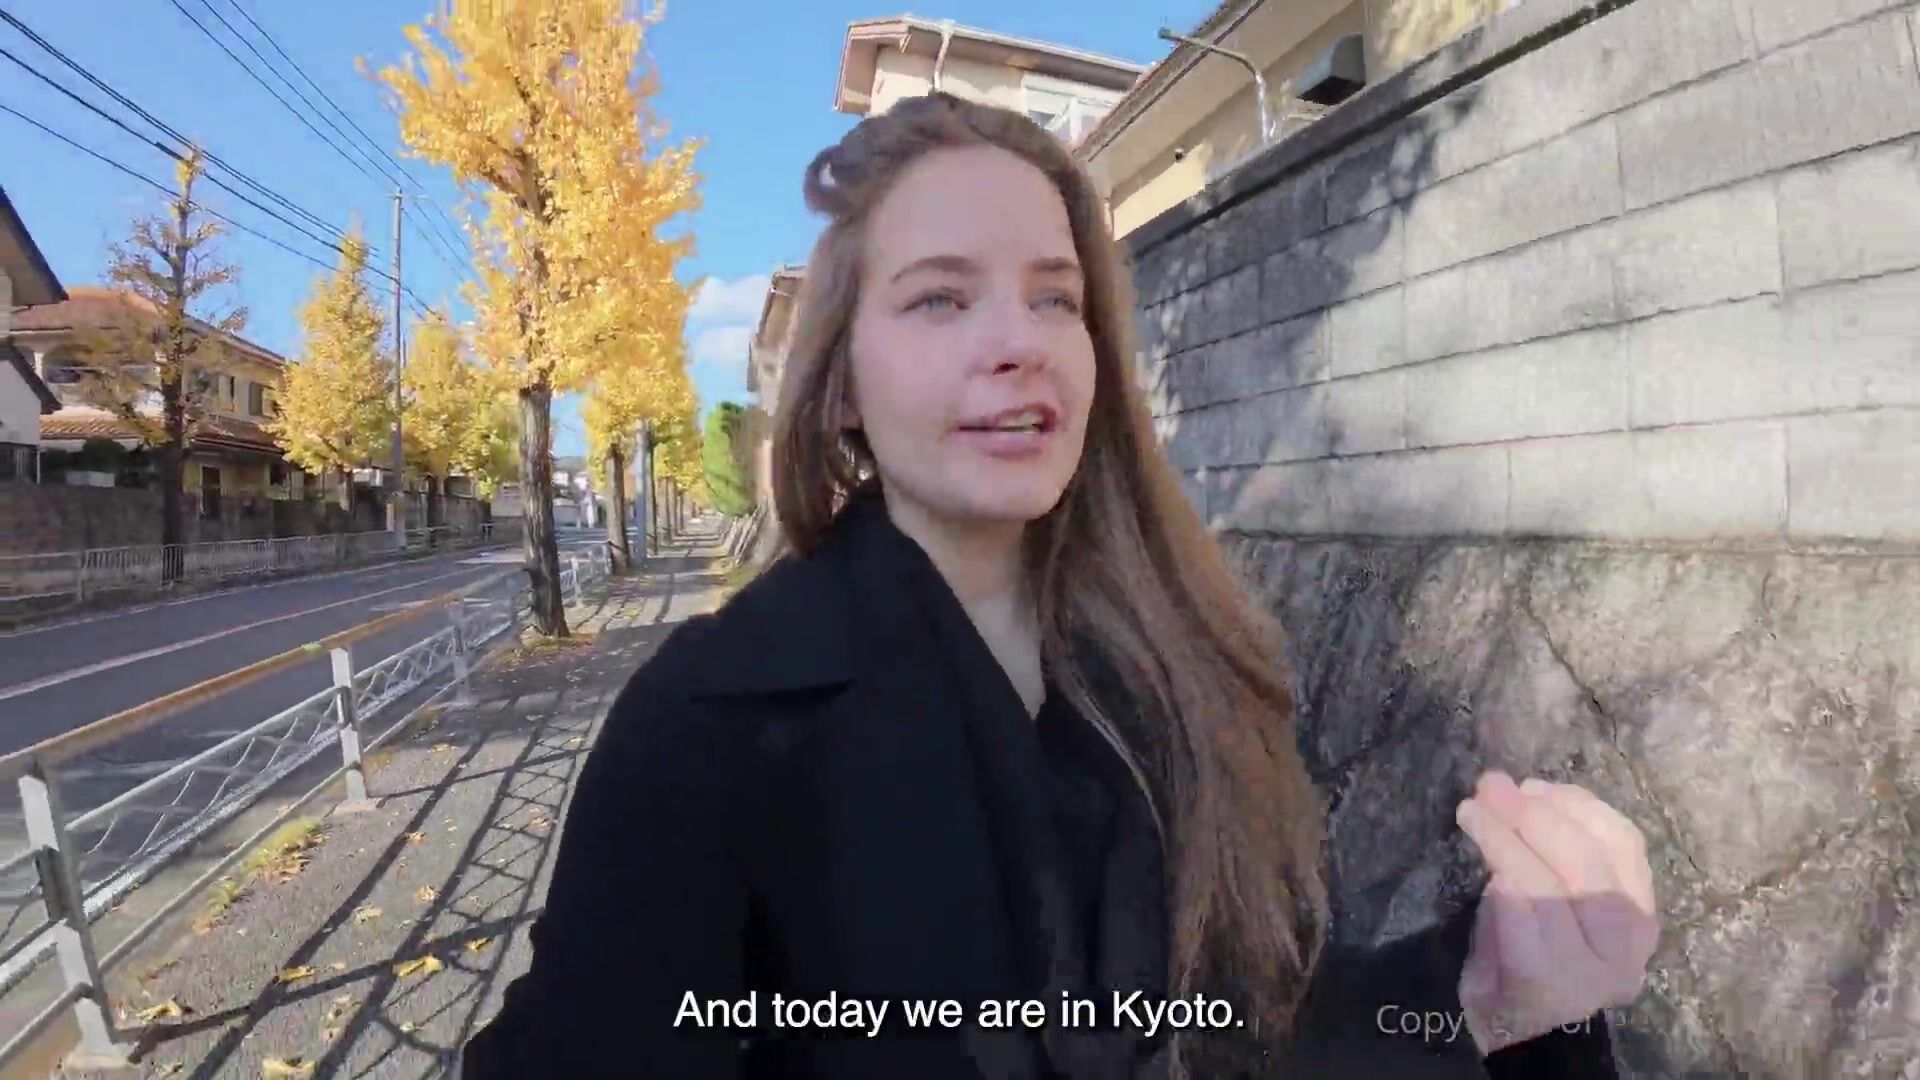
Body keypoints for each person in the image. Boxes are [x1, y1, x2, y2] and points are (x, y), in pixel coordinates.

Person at [460, 92, 1658, 1079]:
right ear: (843, 383)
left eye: (1056, 297)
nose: (1018, 340)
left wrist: (1484, 998)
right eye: (940, 296)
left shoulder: (1188, 667)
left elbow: (1245, 1038)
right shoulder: (713, 723)